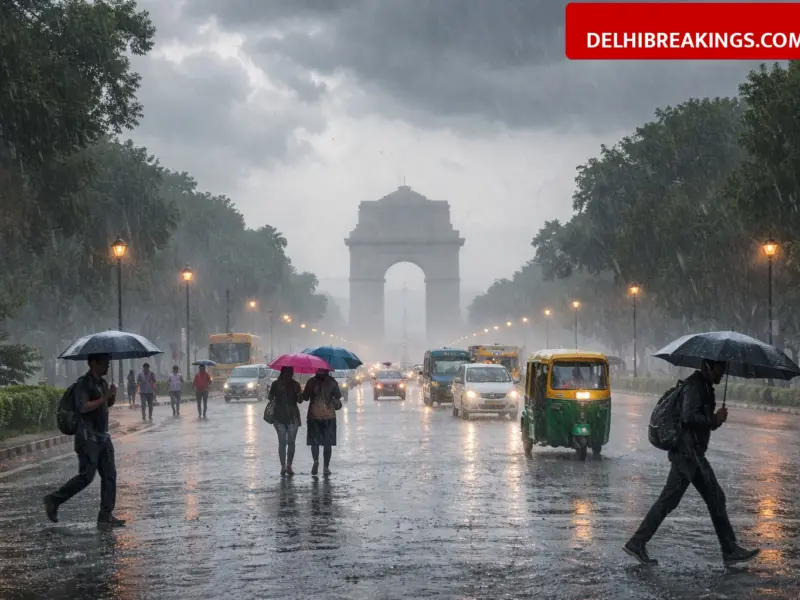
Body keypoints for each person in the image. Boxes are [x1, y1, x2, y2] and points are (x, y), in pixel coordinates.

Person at [624, 359, 760, 566]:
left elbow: (701, 423)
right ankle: (637, 542)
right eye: (719, 371)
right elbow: (689, 417)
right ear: (707, 367)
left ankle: (729, 549)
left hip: (692, 453)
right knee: (672, 501)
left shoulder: (704, 386)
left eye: (723, 371)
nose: (721, 375)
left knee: (713, 497)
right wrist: (714, 420)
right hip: (687, 455)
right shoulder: (695, 386)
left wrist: (715, 421)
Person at [43, 353, 125, 529]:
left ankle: (105, 515)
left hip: (103, 436)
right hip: (88, 438)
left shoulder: (102, 383)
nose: (108, 366)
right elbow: (82, 407)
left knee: (110, 475)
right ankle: (53, 499)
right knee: (86, 476)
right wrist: (104, 397)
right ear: (94, 363)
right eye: (104, 362)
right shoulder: (84, 383)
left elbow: (105, 405)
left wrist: (111, 396)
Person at [302, 368, 342, 476]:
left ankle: (315, 461)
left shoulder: (311, 382)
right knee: (327, 442)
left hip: (313, 415)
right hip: (329, 416)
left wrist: (304, 392)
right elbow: (338, 396)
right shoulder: (332, 381)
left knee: (314, 442)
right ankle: (325, 467)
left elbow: (305, 397)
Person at [268, 366, 302, 476]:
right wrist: (279, 392)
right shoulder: (276, 384)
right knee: (282, 442)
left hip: (292, 417)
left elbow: (300, 400)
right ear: (283, 373)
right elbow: (270, 397)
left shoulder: (295, 385)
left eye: (290, 373)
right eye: (287, 373)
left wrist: (299, 393)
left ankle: (289, 465)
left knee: (290, 443)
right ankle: (283, 466)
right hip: (279, 417)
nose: (289, 375)